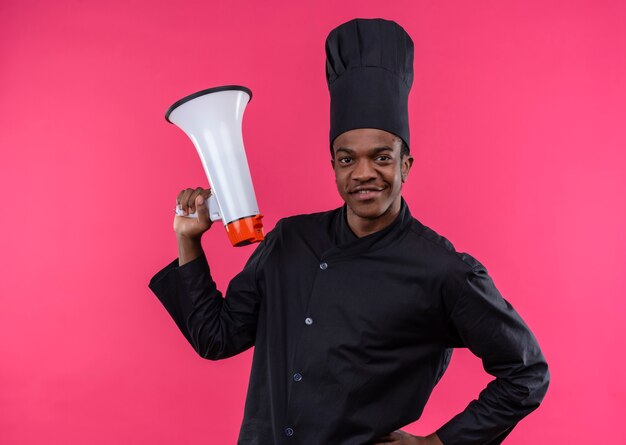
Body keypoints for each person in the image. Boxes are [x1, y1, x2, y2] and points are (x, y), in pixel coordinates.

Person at [149, 18, 549, 445]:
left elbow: (526, 372)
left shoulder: (443, 270)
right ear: (333, 165)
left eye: (381, 158)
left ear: (405, 165)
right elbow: (217, 337)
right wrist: (188, 239)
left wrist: (438, 443)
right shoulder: (289, 241)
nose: (363, 174)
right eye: (346, 159)